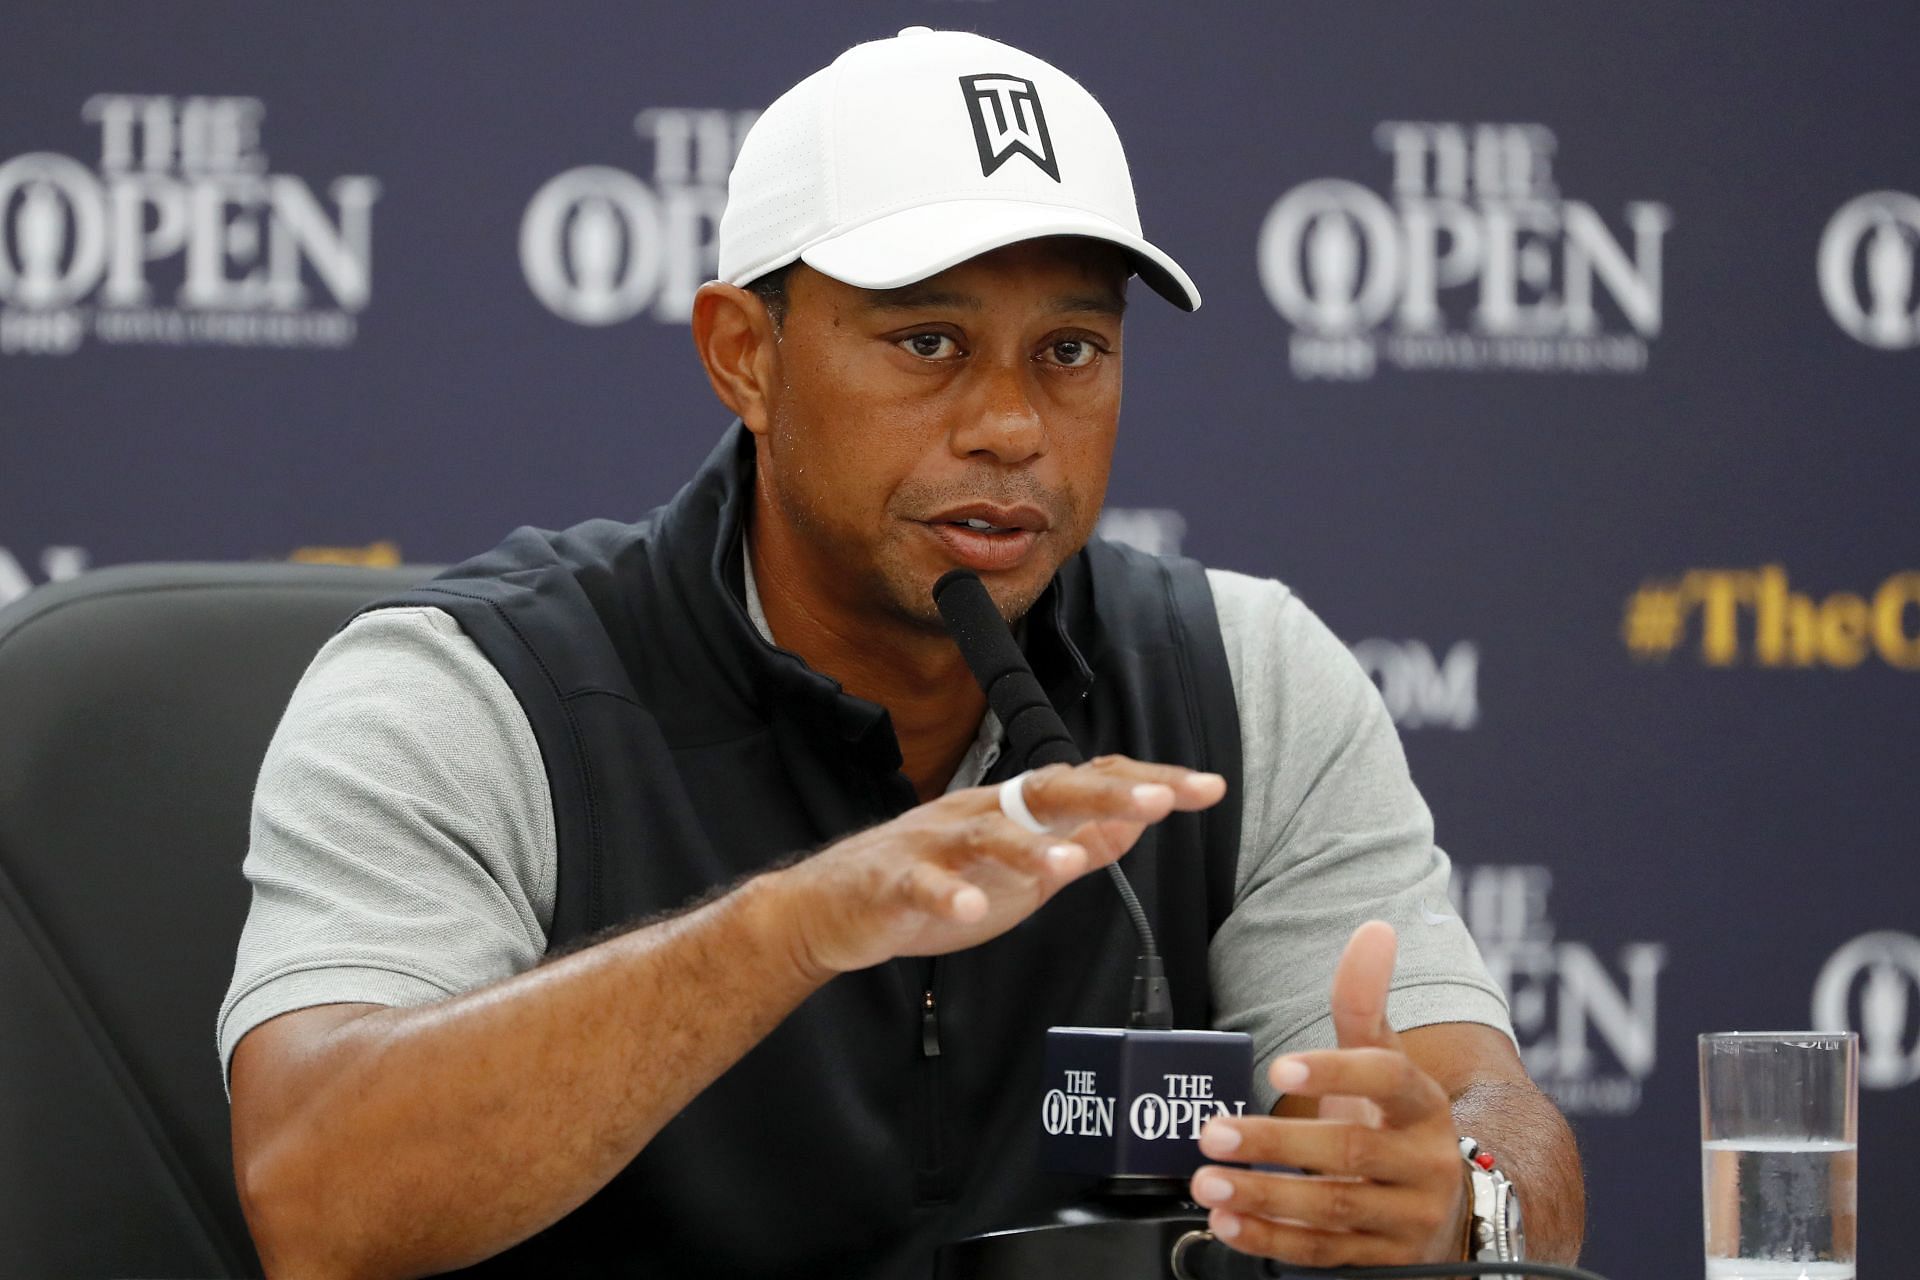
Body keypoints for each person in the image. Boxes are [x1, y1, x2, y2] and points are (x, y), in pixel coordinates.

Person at [221, 26, 1583, 1279]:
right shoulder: (473, 694)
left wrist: (1458, 1193)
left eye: (1071, 350)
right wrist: (794, 926)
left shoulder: (1244, 681)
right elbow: (316, 1197)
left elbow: (1499, 1121)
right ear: (744, 356)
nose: (1010, 425)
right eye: (927, 341)